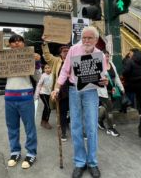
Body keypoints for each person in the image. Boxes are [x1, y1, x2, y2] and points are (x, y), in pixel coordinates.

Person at [51, 26, 108, 178]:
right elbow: (64, 71)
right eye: (84, 37)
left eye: (89, 38)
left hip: (91, 92)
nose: (86, 40)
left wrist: (105, 81)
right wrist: (57, 88)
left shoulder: (99, 54)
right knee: (76, 126)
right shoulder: (73, 50)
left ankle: (93, 162)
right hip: (74, 90)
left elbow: (103, 76)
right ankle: (79, 162)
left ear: (96, 40)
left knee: (91, 127)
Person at [0, 34, 40, 169]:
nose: (16, 43)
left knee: (30, 127)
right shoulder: (5, 58)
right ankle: (15, 151)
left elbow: (37, 77)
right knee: (12, 127)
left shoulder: (30, 57)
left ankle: (31, 153)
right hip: (9, 97)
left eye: (19, 41)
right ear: (9, 45)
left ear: (24, 44)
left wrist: (37, 62)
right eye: (13, 42)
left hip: (26, 96)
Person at [41, 40, 70, 141]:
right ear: (60, 53)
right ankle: (63, 132)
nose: (66, 52)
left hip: (74, 90)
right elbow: (47, 56)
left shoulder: (74, 60)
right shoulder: (56, 61)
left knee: (75, 111)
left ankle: (70, 125)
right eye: (64, 51)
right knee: (62, 112)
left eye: (68, 51)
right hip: (61, 91)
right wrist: (45, 44)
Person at [98, 50, 124, 137]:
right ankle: (110, 128)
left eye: (108, 56)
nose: (106, 58)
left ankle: (99, 120)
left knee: (107, 107)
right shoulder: (99, 66)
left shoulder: (112, 64)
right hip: (103, 92)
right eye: (104, 56)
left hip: (113, 90)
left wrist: (121, 88)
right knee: (109, 109)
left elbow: (116, 77)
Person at [122, 48, 141, 115]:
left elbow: (126, 72)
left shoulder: (130, 61)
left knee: (125, 92)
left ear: (133, 53)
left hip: (132, 84)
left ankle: (127, 106)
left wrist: (126, 77)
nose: (129, 54)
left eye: (130, 53)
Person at [34, 64, 53, 129]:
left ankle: (43, 121)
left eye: (48, 68)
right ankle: (45, 121)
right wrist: (36, 95)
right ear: (44, 69)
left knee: (47, 107)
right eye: (46, 68)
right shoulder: (43, 76)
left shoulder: (53, 75)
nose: (47, 69)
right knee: (48, 107)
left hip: (49, 93)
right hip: (43, 93)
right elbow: (39, 85)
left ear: (51, 68)